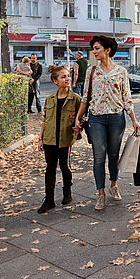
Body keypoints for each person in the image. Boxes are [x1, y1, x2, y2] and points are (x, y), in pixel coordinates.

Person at [74, 35, 140, 211]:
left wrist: (134, 119)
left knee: (113, 155)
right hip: (96, 119)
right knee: (98, 156)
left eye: (97, 48)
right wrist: (78, 117)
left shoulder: (121, 72)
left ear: (107, 50)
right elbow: (85, 97)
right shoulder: (91, 71)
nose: (94, 52)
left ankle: (114, 185)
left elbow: (127, 98)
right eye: (93, 49)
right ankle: (101, 194)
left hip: (116, 119)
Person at [37, 65, 81, 213]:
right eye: (63, 77)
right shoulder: (49, 99)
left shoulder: (75, 99)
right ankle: (49, 200)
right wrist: (40, 138)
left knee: (65, 167)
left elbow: (81, 118)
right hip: (49, 139)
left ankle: (67, 191)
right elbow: (44, 120)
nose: (67, 79)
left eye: (68, 76)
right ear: (55, 81)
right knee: (50, 169)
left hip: (65, 139)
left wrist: (79, 126)